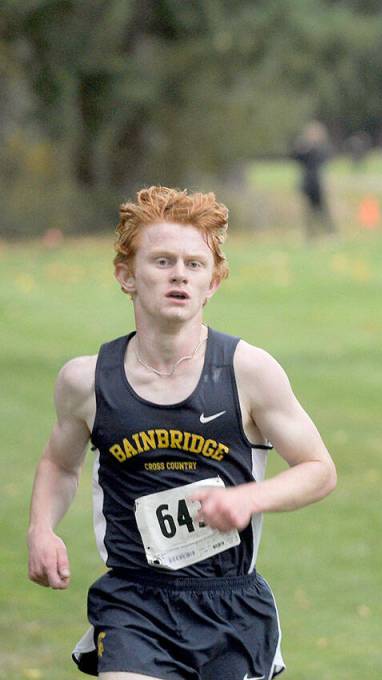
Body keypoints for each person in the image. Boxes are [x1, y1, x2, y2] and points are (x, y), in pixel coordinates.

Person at [27, 186, 337, 679]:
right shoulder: (86, 381)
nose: (179, 275)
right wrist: (41, 529)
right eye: (163, 261)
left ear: (212, 283)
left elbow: (319, 470)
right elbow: (59, 464)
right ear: (126, 276)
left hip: (229, 605)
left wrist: (249, 500)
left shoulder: (248, 371)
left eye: (195, 264)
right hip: (134, 602)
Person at [292, 120, 336, 239]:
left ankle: (329, 232)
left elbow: (324, 162)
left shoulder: (322, 148)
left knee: (322, 209)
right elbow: (297, 159)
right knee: (308, 211)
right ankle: (311, 235)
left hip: (318, 183)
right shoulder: (304, 148)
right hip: (307, 183)